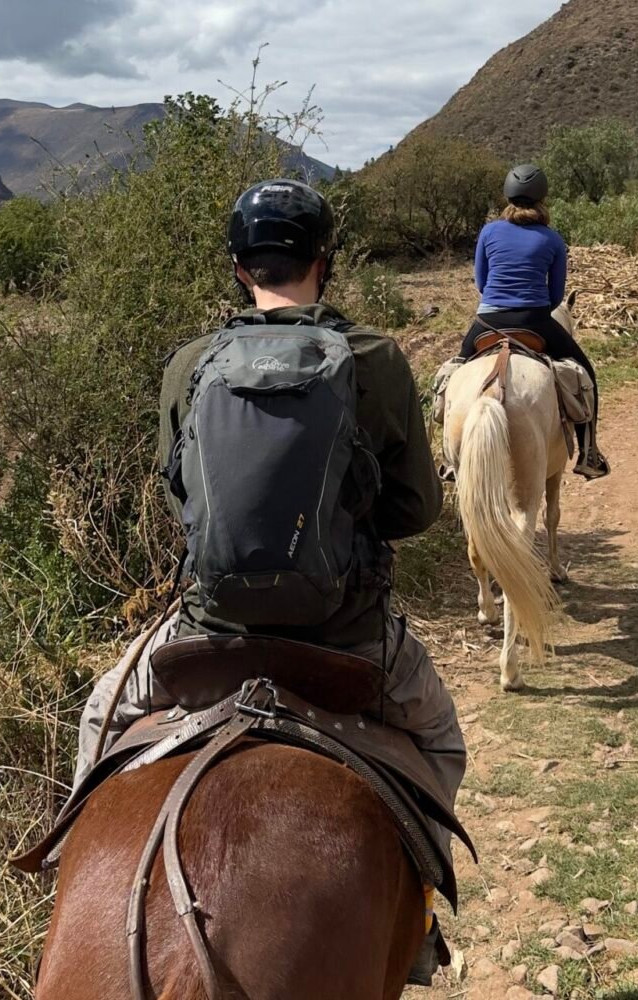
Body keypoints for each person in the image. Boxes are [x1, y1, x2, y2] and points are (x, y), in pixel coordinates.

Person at [72, 179, 465, 985]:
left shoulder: (192, 364)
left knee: (96, 720)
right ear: (325, 262)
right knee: (440, 739)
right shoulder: (374, 359)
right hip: (347, 635)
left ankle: (74, 886)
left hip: (207, 632)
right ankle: (416, 922)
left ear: (239, 269)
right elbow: (418, 508)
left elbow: (178, 490)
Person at [459, 163, 609, 479]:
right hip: (535, 321)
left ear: (508, 196)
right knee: (587, 374)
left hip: (487, 322)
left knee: (453, 374)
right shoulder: (553, 239)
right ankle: (589, 452)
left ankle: (449, 458)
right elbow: (556, 296)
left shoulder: (488, 231)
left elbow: (481, 283)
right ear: (542, 197)